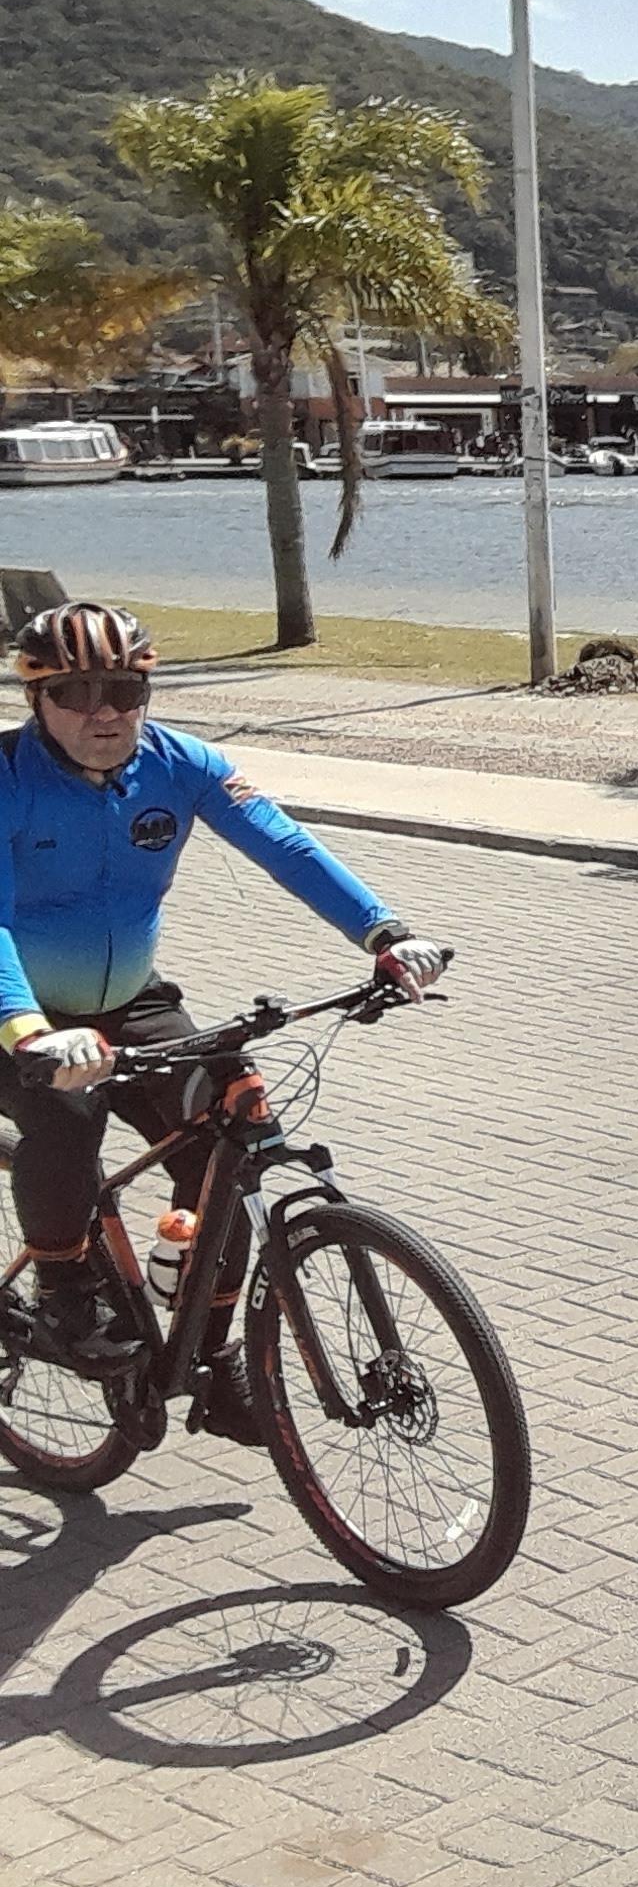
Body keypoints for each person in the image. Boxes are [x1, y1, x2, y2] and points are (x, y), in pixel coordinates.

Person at [0, 605, 450, 1440]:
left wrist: (384, 934)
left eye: (125, 690)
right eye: (76, 692)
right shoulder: (7, 779)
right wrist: (27, 1029)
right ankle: (63, 1291)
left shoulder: (181, 764)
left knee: (227, 1138)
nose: (105, 712)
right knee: (65, 1116)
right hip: (17, 1012)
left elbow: (286, 846)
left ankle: (210, 1358)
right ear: (37, 699)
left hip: (131, 999)